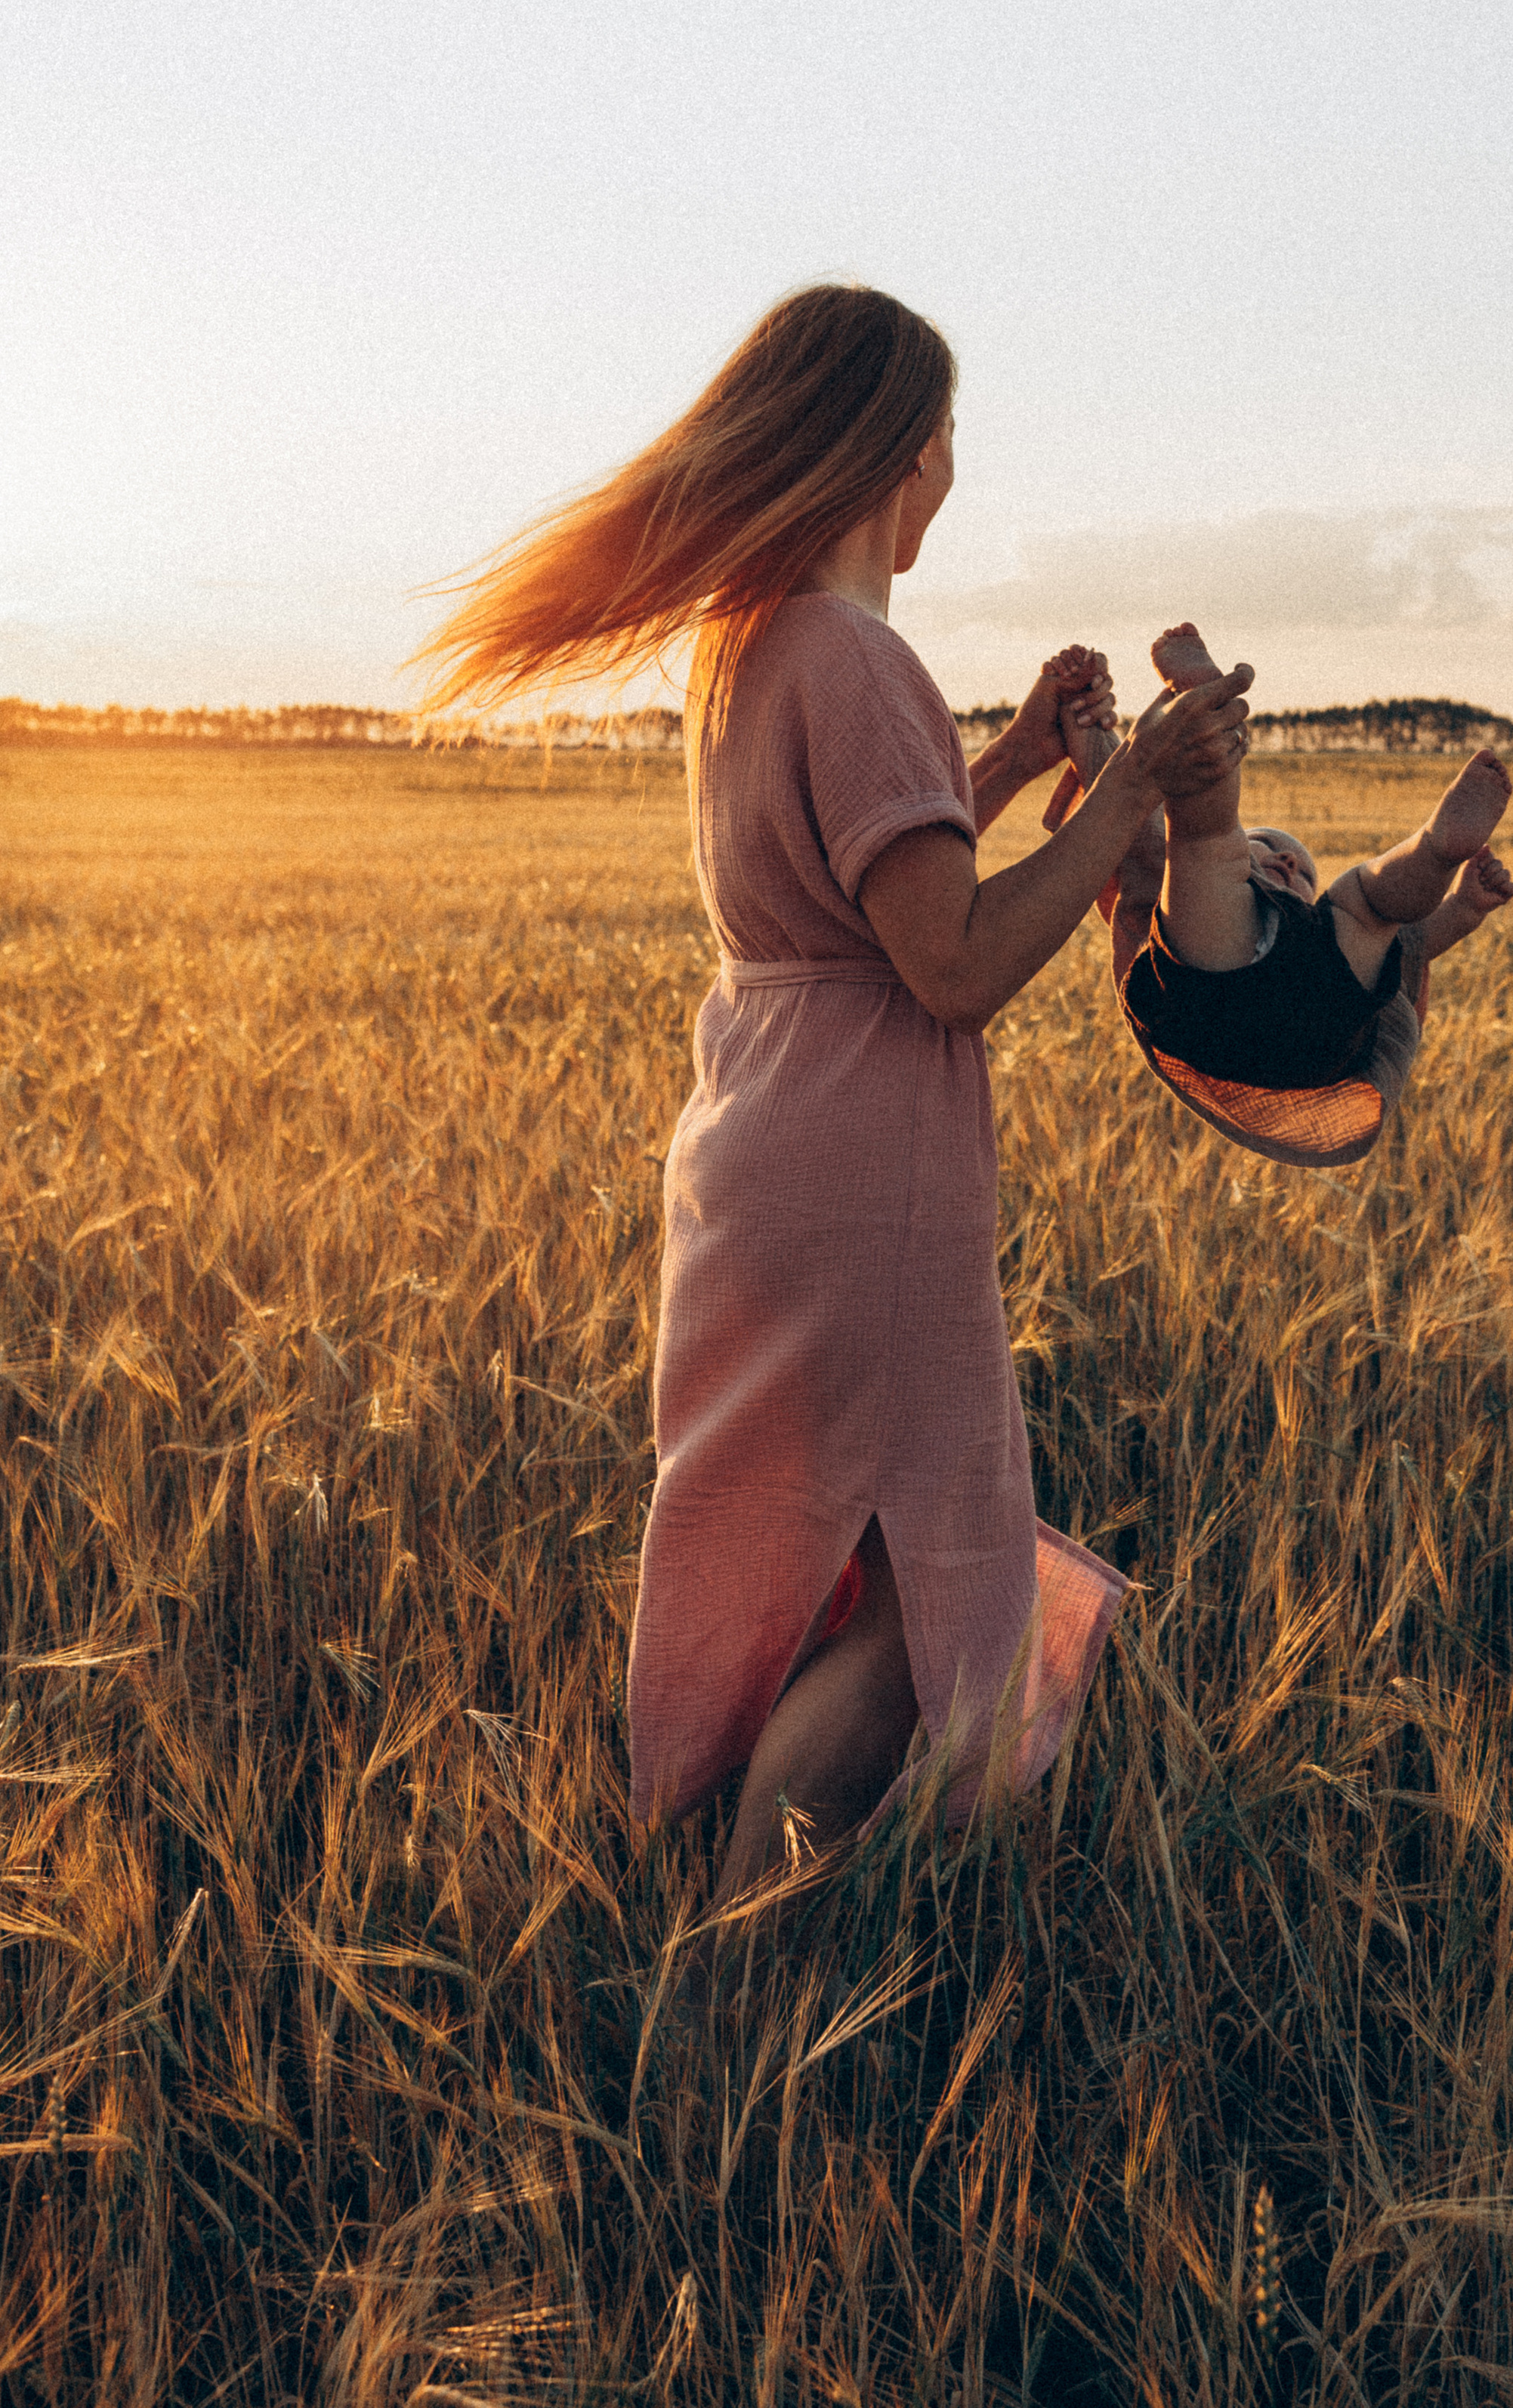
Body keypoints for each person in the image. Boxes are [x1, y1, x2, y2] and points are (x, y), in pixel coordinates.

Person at [415, 287, 1249, 1951]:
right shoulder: (858, 658)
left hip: (761, 1126)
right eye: (947, 440)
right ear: (900, 450)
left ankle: (698, 1903)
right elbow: (944, 962)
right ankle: (729, 1981)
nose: (951, 473)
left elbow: (863, 877)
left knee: (795, 1525)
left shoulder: (754, 643)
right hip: (871, 1158)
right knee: (928, 1562)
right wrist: (1137, 798)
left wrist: (1010, 760)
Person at [1054, 622, 1513, 1127]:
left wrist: (1465, 908)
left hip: (1269, 1010)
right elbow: (1134, 829)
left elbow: (1413, 939)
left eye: (1303, 872)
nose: (1291, 861)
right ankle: (1431, 850)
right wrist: (1465, 910)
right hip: (1291, 1030)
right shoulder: (1221, 896)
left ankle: (1433, 850)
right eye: (1269, 845)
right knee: (1337, 892)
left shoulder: (1301, 927)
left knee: (1238, 853)